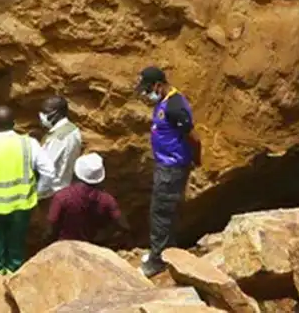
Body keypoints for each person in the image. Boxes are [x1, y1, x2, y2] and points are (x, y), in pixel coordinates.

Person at [138, 66, 201, 278]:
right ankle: (165, 252)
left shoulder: (174, 106)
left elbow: (194, 138)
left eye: (147, 89)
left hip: (171, 167)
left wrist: (196, 159)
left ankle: (157, 261)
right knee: (165, 210)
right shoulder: (164, 102)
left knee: (160, 213)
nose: (146, 94)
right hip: (166, 164)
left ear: (158, 85)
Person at [0, 106, 53, 274]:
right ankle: (14, 279)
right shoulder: (29, 144)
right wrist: (38, 194)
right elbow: (49, 172)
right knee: (16, 248)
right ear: (14, 123)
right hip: (21, 206)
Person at [47, 153, 125, 246]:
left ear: (76, 173)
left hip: (65, 247)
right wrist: (105, 236)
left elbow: (51, 227)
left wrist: (48, 244)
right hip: (92, 248)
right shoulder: (107, 200)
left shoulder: (62, 197)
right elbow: (122, 224)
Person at [35, 96, 83, 200]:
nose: (41, 115)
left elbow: (46, 168)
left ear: (56, 113)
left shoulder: (57, 138)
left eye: (46, 111)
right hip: (65, 187)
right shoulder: (74, 129)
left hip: (50, 193)